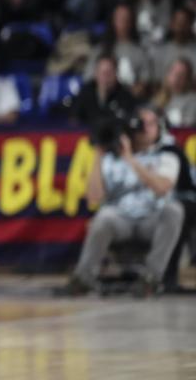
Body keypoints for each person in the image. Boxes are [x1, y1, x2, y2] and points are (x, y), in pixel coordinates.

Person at [57, 110, 185, 297]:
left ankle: (151, 279)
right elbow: (94, 197)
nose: (145, 129)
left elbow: (162, 188)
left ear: (160, 129)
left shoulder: (168, 155)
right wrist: (98, 156)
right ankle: (83, 278)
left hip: (152, 217)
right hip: (121, 219)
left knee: (174, 210)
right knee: (103, 217)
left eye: (151, 124)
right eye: (141, 124)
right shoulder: (111, 158)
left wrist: (130, 159)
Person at [72, 54, 137, 127]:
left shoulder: (125, 96)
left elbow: (129, 121)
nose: (105, 76)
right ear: (95, 74)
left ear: (116, 74)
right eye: (102, 72)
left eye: (109, 72)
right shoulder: (85, 93)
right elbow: (74, 119)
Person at [153, 58, 196, 127]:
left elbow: (188, 127)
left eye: (181, 74)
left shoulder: (193, 101)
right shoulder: (159, 98)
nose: (176, 77)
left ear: (188, 79)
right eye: (173, 72)